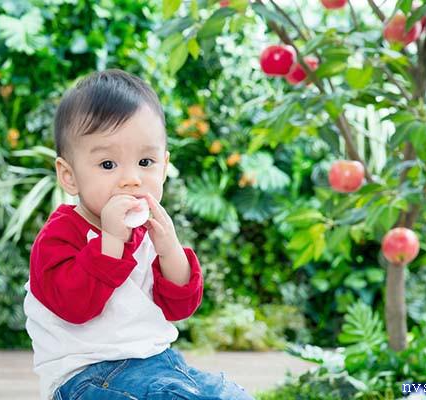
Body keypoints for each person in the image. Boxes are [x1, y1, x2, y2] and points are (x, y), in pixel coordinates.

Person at [23, 69, 255, 400]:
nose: (131, 179)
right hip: (85, 377)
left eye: (145, 161)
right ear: (69, 176)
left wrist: (169, 249)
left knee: (229, 395)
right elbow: (75, 307)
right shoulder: (59, 236)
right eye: (107, 165)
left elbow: (180, 306)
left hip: (160, 363)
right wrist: (111, 242)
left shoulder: (147, 231)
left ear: (163, 165)